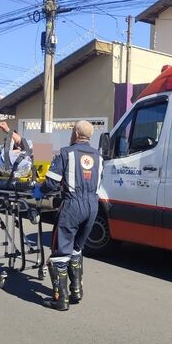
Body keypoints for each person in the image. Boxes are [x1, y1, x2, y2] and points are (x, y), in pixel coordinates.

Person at [34, 120, 101, 311]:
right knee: (77, 248)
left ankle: (60, 299)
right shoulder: (99, 156)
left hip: (73, 205)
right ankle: (76, 290)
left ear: (75, 133)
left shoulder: (66, 152)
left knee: (61, 251)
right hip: (92, 205)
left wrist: (40, 190)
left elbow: (52, 183)